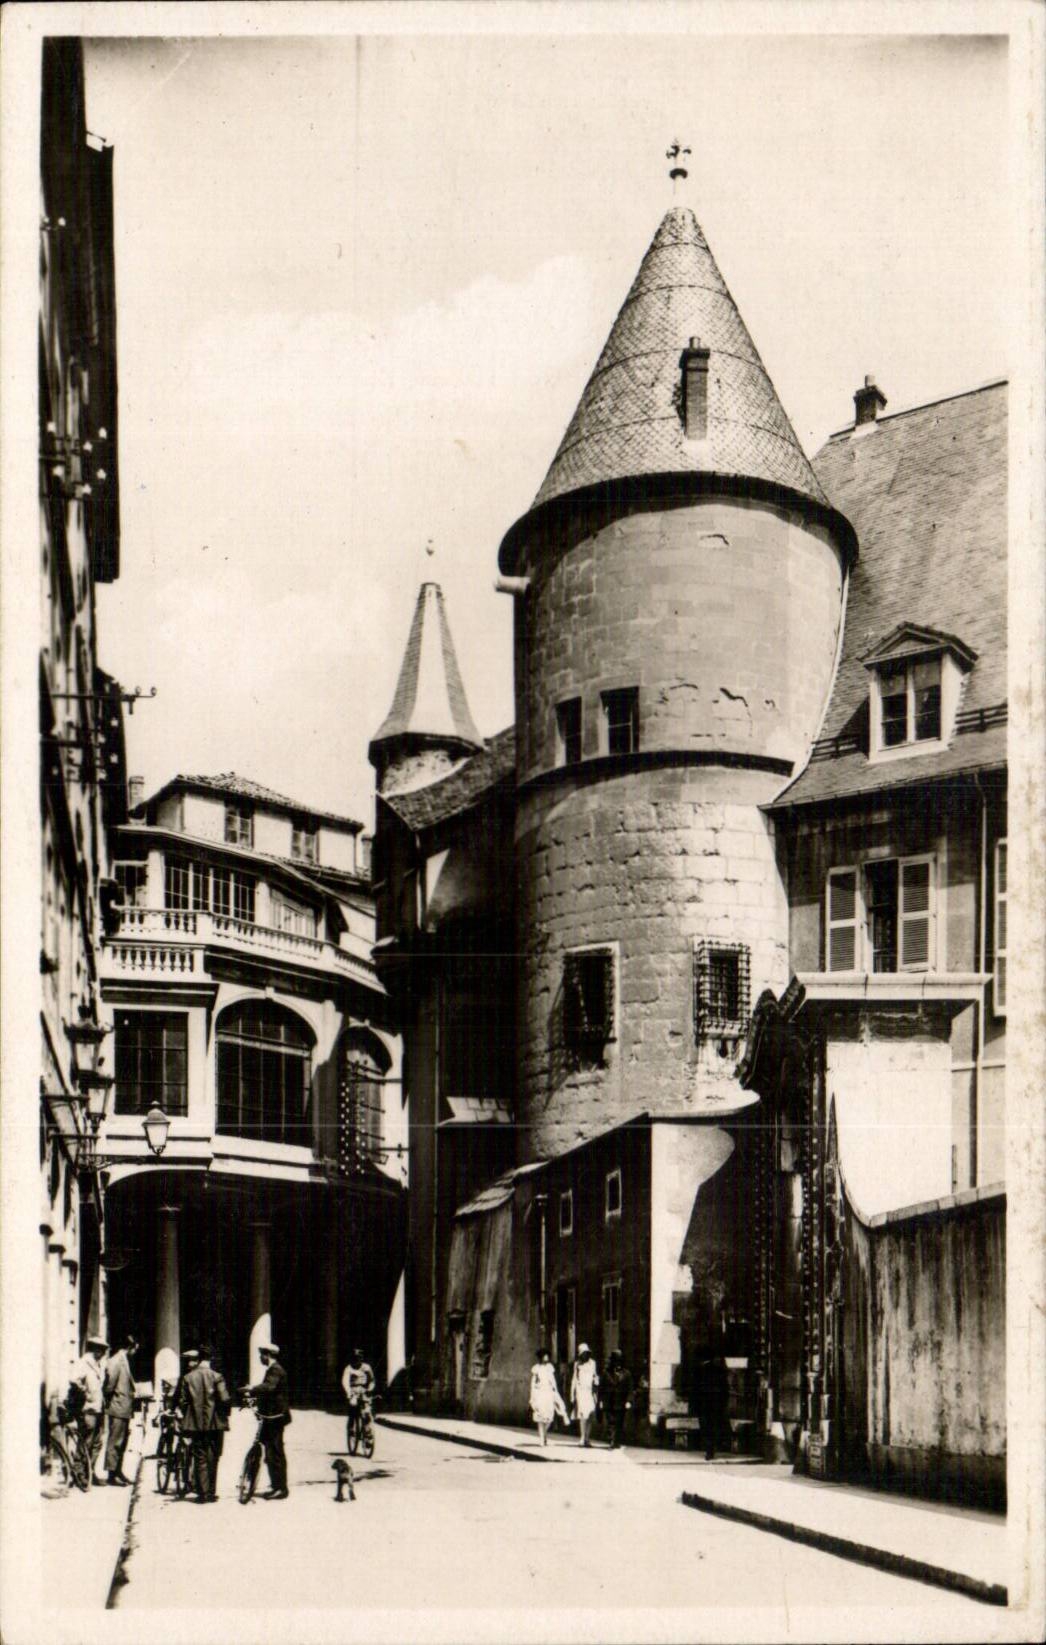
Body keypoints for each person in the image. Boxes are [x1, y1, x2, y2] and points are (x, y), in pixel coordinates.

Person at [177, 1343, 231, 1503]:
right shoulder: (217, 1376)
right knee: (213, 1456)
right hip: (215, 1424)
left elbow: (183, 1401)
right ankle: (211, 1493)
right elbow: (225, 1399)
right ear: (211, 1359)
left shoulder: (188, 1377)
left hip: (195, 1423)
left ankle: (202, 1493)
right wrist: (225, 1414)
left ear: (199, 1359)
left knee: (199, 1456)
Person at [248, 1342, 290, 1499]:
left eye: (262, 1355)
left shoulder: (275, 1369)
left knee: (275, 1453)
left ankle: (280, 1488)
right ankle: (276, 1485)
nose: (260, 1357)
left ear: (268, 1355)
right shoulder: (273, 1369)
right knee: (271, 1452)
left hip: (275, 1418)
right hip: (270, 1416)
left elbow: (269, 1387)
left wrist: (251, 1389)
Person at [70, 1335, 108, 1481]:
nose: (103, 1353)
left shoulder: (98, 1364)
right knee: (86, 1441)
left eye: (104, 1350)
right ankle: (78, 1472)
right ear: (94, 1349)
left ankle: (89, 1472)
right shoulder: (84, 1363)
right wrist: (85, 1391)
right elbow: (74, 1379)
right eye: (101, 1350)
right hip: (88, 1408)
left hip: (98, 1408)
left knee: (97, 1442)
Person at [102, 1334, 139, 1486]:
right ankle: (112, 1474)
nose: (135, 1352)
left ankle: (118, 1471)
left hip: (123, 1407)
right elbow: (109, 1386)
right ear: (130, 1347)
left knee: (122, 1442)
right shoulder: (116, 1361)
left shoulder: (124, 1360)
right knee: (115, 1442)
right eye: (135, 1349)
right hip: (117, 1407)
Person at [528, 1345, 567, 1447]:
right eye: (544, 1355)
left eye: (547, 1355)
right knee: (540, 1417)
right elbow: (533, 1383)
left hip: (549, 1394)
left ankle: (544, 1434)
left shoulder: (550, 1368)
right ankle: (542, 1439)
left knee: (549, 1417)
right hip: (540, 1393)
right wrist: (533, 1396)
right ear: (541, 1357)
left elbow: (553, 1381)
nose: (546, 1357)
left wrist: (555, 1393)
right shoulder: (536, 1369)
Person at [697, 1352, 731, 1461]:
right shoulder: (720, 1370)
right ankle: (712, 1449)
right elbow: (725, 1389)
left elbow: (698, 1388)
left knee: (708, 1426)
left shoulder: (703, 1369)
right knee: (713, 1426)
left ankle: (710, 1449)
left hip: (708, 1403)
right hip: (715, 1403)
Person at [600, 1349, 633, 1449]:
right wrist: (601, 1401)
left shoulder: (627, 1374)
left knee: (619, 1423)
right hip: (609, 1402)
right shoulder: (606, 1373)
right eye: (615, 1360)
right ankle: (612, 1440)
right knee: (611, 1422)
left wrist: (629, 1401)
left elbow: (630, 1389)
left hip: (621, 1402)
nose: (617, 1363)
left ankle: (617, 1441)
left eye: (619, 1360)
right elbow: (601, 1388)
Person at [570, 1343, 599, 1447]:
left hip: (590, 1391)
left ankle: (587, 1438)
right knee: (583, 1415)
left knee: (590, 1414)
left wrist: (596, 1383)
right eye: (583, 1353)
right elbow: (574, 1379)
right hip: (581, 1391)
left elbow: (595, 1375)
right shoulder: (577, 1364)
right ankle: (582, 1438)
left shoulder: (593, 1363)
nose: (585, 1355)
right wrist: (572, 1394)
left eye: (586, 1353)